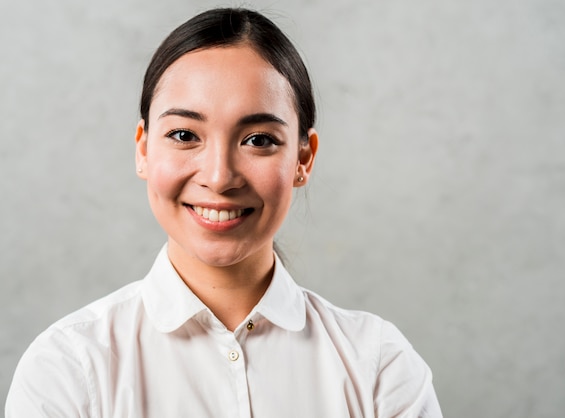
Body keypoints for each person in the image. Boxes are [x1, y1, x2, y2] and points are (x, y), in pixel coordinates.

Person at [5, 8, 442, 417]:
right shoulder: (68, 368)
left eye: (258, 140)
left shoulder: (379, 366)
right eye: (183, 134)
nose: (219, 177)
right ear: (142, 149)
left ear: (303, 160)